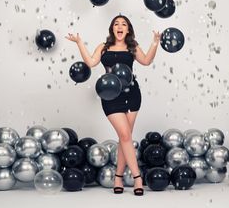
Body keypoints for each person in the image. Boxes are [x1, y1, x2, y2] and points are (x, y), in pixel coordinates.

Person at [66, 15, 161, 195]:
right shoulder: (104, 47)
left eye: (123, 24)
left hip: (132, 94)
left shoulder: (133, 47)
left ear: (128, 29)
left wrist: (155, 42)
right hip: (110, 96)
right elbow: (91, 62)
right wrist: (79, 42)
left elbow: (147, 61)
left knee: (124, 138)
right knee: (125, 136)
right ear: (112, 29)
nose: (120, 26)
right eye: (116, 24)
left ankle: (118, 177)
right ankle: (137, 178)